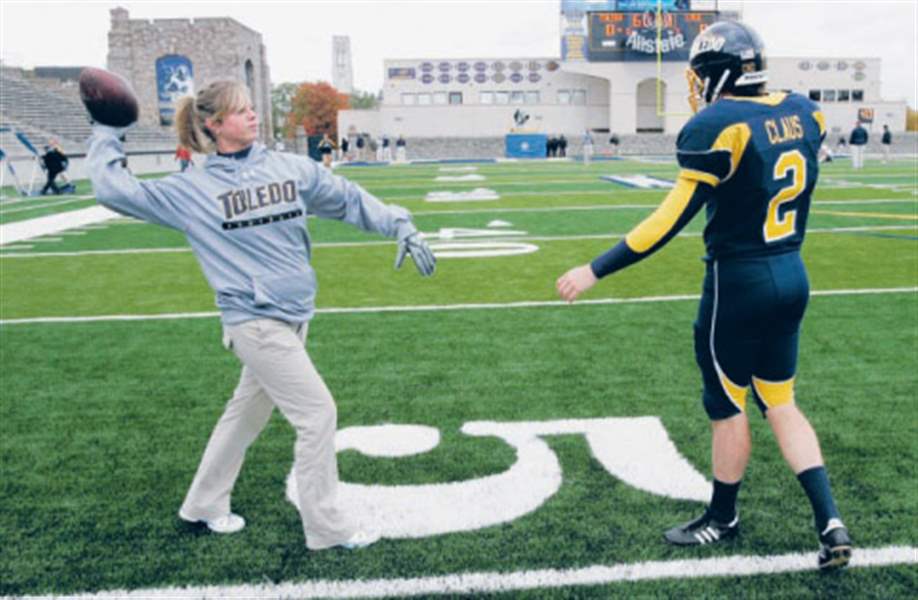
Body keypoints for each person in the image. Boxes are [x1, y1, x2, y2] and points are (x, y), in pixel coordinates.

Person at [85, 80, 436, 551]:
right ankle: (327, 529)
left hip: (294, 316)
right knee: (318, 414)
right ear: (213, 124)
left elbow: (348, 199)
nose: (253, 116)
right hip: (253, 322)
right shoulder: (193, 189)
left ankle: (204, 503)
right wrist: (107, 131)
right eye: (240, 111)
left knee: (244, 415)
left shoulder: (290, 168)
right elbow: (114, 189)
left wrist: (400, 224)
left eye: (253, 108)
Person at [555, 20, 852, 571]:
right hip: (793, 273)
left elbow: (666, 222)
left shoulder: (719, 125)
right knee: (781, 401)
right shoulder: (806, 112)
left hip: (738, 283)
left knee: (726, 406)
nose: (696, 86)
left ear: (719, 73)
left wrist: (596, 269)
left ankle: (722, 517)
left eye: (701, 74)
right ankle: (830, 521)